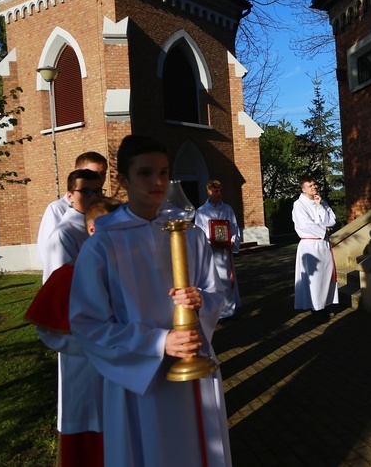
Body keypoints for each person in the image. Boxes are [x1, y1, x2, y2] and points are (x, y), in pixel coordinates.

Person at [69, 136, 232, 466]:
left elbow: (216, 294)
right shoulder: (102, 244)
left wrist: (202, 300)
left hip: (193, 364)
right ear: (123, 180)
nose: (157, 182)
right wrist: (160, 342)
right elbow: (87, 325)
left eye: (163, 172)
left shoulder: (191, 235)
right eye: (145, 173)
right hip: (139, 377)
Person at [26, 197, 121, 467]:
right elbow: (47, 330)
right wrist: (97, 346)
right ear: (92, 230)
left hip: (122, 376)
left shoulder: (127, 270)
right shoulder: (69, 273)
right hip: (83, 376)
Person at [37, 152, 108, 265]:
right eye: (93, 173)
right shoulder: (57, 209)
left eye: (102, 174)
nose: (99, 178)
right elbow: (48, 254)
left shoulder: (105, 207)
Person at [41, 169, 104, 282]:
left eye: (98, 191)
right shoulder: (64, 233)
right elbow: (59, 281)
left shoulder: (104, 224)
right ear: (70, 197)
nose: (94, 197)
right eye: (86, 192)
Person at [292, 175, 339, 318]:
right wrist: (324, 230)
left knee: (325, 276)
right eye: (310, 185)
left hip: (323, 244)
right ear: (303, 189)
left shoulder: (322, 202)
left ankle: (322, 304)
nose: (314, 187)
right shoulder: (299, 205)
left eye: (315, 184)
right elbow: (306, 224)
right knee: (314, 278)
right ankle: (316, 309)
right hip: (310, 245)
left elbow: (331, 220)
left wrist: (319, 207)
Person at [195, 180, 242, 319]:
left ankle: (228, 310)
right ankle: (214, 311)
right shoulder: (201, 211)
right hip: (211, 253)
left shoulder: (227, 209)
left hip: (224, 252)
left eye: (220, 191)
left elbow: (234, 227)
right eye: (216, 191)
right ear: (208, 192)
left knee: (226, 280)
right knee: (213, 282)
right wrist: (210, 242)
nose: (219, 194)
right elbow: (199, 231)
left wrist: (232, 240)